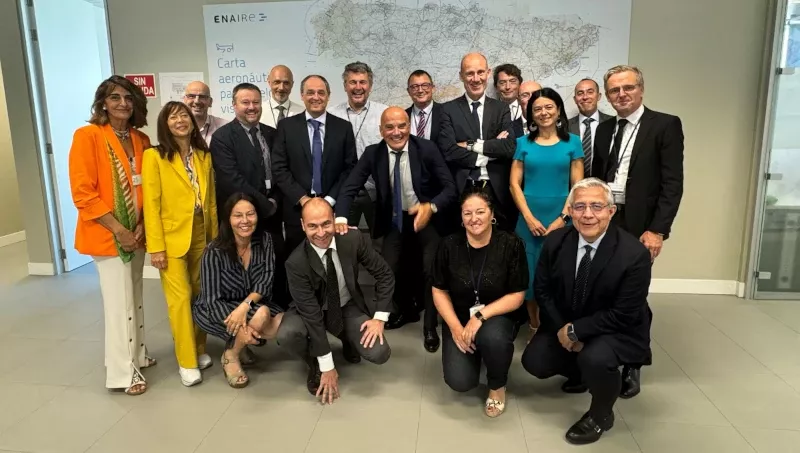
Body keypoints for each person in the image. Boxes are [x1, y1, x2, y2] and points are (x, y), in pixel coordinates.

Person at [521, 178, 652, 445]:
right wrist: (563, 329)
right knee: (534, 361)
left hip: (616, 328)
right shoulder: (556, 241)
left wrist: (576, 331)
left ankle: (601, 415)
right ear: (569, 211)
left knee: (595, 358)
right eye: (579, 207)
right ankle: (580, 374)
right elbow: (543, 291)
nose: (588, 214)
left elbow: (624, 313)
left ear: (611, 211)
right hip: (568, 320)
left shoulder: (634, 254)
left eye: (596, 206)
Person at [592, 65, 684, 397]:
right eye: (614, 90)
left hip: (640, 221)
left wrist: (657, 230)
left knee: (633, 294)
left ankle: (632, 363)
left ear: (641, 89)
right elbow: (599, 180)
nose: (621, 95)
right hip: (606, 218)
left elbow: (673, 185)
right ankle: (601, 357)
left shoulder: (665, 125)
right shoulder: (604, 130)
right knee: (601, 288)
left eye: (627, 88)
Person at [334, 107, 456, 351]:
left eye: (401, 126)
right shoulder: (373, 153)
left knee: (431, 270)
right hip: (394, 220)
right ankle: (404, 311)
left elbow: (450, 188)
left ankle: (430, 327)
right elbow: (349, 187)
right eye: (389, 127)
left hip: (425, 216)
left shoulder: (426, 149)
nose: (396, 132)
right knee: (388, 269)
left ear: (409, 127)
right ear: (381, 130)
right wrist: (340, 217)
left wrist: (430, 207)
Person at [68, 75, 153, 395]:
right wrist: (119, 229)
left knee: (135, 298)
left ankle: (139, 356)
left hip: (137, 231)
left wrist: (140, 225)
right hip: (107, 234)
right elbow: (83, 193)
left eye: (129, 98)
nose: (123, 104)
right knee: (120, 306)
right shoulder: (88, 136)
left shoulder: (140, 139)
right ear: (103, 101)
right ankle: (121, 373)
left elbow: (146, 186)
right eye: (115, 97)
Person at [276, 198, 394, 404]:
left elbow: (384, 274)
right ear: (303, 226)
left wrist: (380, 318)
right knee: (287, 334)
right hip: (311, 311)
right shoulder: (295, 263)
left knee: (379, 352)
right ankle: (314, 361)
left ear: (335, 220)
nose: (321, 233)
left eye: (326, 224)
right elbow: (312, 316)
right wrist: (327, 366)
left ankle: (348, 340)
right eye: (312, 226)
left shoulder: (352, 238)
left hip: (346, 304)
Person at [432, 190, 528, 418]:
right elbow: (439, 290)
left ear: (492, 214)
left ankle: (497, 386)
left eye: (480, 212)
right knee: (460, 382)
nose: (474, 218)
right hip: (458, 315)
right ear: (461, 217)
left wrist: (480, 316)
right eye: (467, 213)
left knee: (492, 338)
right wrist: (456, 328)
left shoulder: (510, 244)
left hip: (497, 314)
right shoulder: (448, 245)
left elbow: (517, 295)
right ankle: (477, 352)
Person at [142, 101, 218, 386]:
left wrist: (213, 238)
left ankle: (199, 349)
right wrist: (156, 247)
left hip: (201, 233)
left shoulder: (202, 155)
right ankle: (186, 361)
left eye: (184, 115)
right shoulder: (155, 156)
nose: (180, 121)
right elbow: (151, 205)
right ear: (165, 124)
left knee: (201, 293)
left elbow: (209, 201)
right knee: (181, 298)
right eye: (173, 117)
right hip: (171, 238)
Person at [510, 88, 584, 334]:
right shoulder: (522, 143)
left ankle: (559, 329)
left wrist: (563, 219)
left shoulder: (573, 142)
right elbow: (514, 184)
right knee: (530, 280)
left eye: (548, 107)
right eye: (537, 109)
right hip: (529, 220)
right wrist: (529, 218)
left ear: (559, 110)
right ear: (531, 115)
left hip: (563, 218)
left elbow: (577, 187)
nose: (543, 113)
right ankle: (534, 327)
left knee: (559, 278)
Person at [193, 193, 284, 388]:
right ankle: (231, 355)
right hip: (215, 309)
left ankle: (241, 342)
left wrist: (245, 306)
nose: (245, 221)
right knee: (261, 315)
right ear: (228, 218)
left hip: (252, 302)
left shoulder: (265, 240)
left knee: (284, 324)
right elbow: (211, 301)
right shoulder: (214, 251)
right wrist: (241, 317)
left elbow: (266, 280)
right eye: (238, 215)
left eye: (250, 214)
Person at [210, 82, 287, 312]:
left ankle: (277, 308)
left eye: (255, 102)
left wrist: (276, 201)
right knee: (244, 264)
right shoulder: (222, 138)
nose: (251, 107)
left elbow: (281, 170)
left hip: (272, 214)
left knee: (274, 261)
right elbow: (232, 179)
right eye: (245, 102)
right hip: (242, 214)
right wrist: (265, 204)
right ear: (234, 105)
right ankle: (246, 310)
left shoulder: (272, 134)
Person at [272, 74, 358, 254]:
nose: (316, 97)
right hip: (297, 211)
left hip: (333, 210)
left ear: (328, 95)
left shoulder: (343, 127)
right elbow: (279, 168)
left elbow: (349, 168)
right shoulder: (286, 127)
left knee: (335, 261)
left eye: (321, 92)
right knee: (298, 263)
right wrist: (303, 200)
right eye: (310, 92)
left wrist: (329, 200)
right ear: (302, 95)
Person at [438, 52, 517, 233]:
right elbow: (449, 151)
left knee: (500, 247)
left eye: (480, 72)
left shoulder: (501, 109)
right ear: (461, 76)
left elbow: (509, 147)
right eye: (469, 73)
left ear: (488, 73)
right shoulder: (447, 110)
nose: (476, 79)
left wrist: (470, 145)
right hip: (462, 190)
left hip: (497, 192)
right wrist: (490, 151)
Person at [329, 62, 388, 233]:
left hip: (376, 192)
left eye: (362, 82)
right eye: (352, 82)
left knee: (380, 243)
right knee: (344, 243)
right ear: (345, 86)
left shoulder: (384, 113)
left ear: (370, 86)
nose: (358, 87)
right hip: (341, 192)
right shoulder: (331, 115)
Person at [568, 78, 612, 177]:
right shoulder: (564, 127)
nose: (585, 97)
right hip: (572, 187)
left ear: (599, 96)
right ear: (575, 99)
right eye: (580, 93)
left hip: (603, 185)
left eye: (590, 92)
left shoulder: (612, 124)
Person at [183, 81, 228, 147]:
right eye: (191, 96)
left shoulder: (225, 127)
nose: (197, 101)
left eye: (202, 97)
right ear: (184, 100)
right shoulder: (176, 128)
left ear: (210, 102)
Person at [405, 69, 442, 143]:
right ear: (408, 91)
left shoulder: (446, 112)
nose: (420, 90)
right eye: (414, 87)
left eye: (425, 85)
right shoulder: (403, 115)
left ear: (433, 88)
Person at [262, 65, 304, 129]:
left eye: (286, 83)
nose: (281, 88)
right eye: (277, 82)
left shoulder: (302, 113)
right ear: (269, 82)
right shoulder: (258, 111)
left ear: (292, 84)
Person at [493, 63, 524, 137]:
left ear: (520, 84)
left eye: (512, 81)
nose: (508, 87)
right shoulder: (490, 111)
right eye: (502, 83)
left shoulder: (526, 108)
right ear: (496, 87)